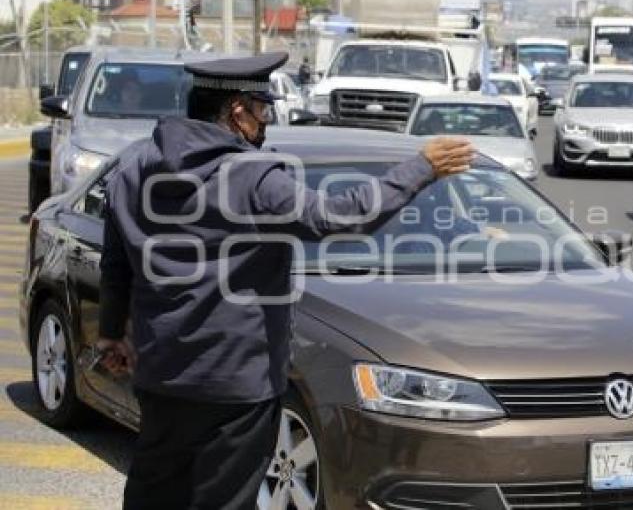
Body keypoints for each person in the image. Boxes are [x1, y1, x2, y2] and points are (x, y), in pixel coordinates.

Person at [95, 51, 474, 510]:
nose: (266, 121)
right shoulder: (254, 175)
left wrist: (111, 334)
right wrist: (421, 166)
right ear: (237, 111)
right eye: (262, 110)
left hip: (160, 377)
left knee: (153, 496)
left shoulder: (134, 165)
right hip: (235, 386)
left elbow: (114, 262)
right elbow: (341, 216)